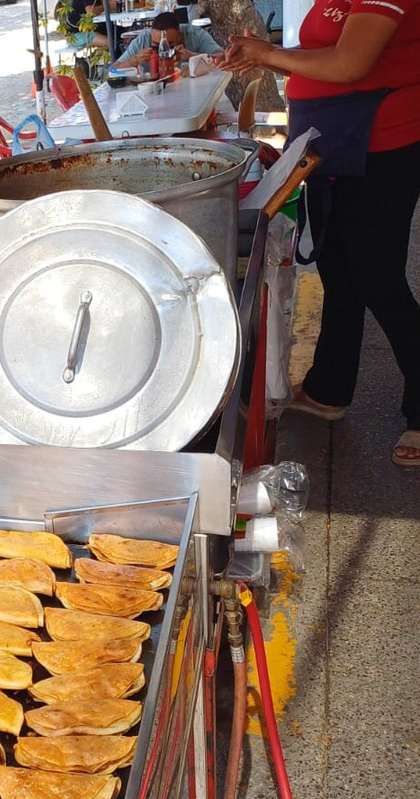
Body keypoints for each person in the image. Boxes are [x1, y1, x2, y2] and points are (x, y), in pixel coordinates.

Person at [220, 0, 420, 466]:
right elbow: (323, 52)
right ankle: (329, 389)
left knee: (378, 277)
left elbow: (351, 63)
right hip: (335, 145)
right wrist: (260, 50)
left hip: (382, 148)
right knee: (338, 268)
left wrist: (265, 55)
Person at [113, 11, 222, 69]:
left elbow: (223, 57)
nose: (162, 51)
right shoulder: (142, 40)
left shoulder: (194, 34)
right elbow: (112, 71)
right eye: (156, 44)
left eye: (168, 45)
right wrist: (134, 61)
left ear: (179, 35)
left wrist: (192, 56)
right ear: (151, 33)